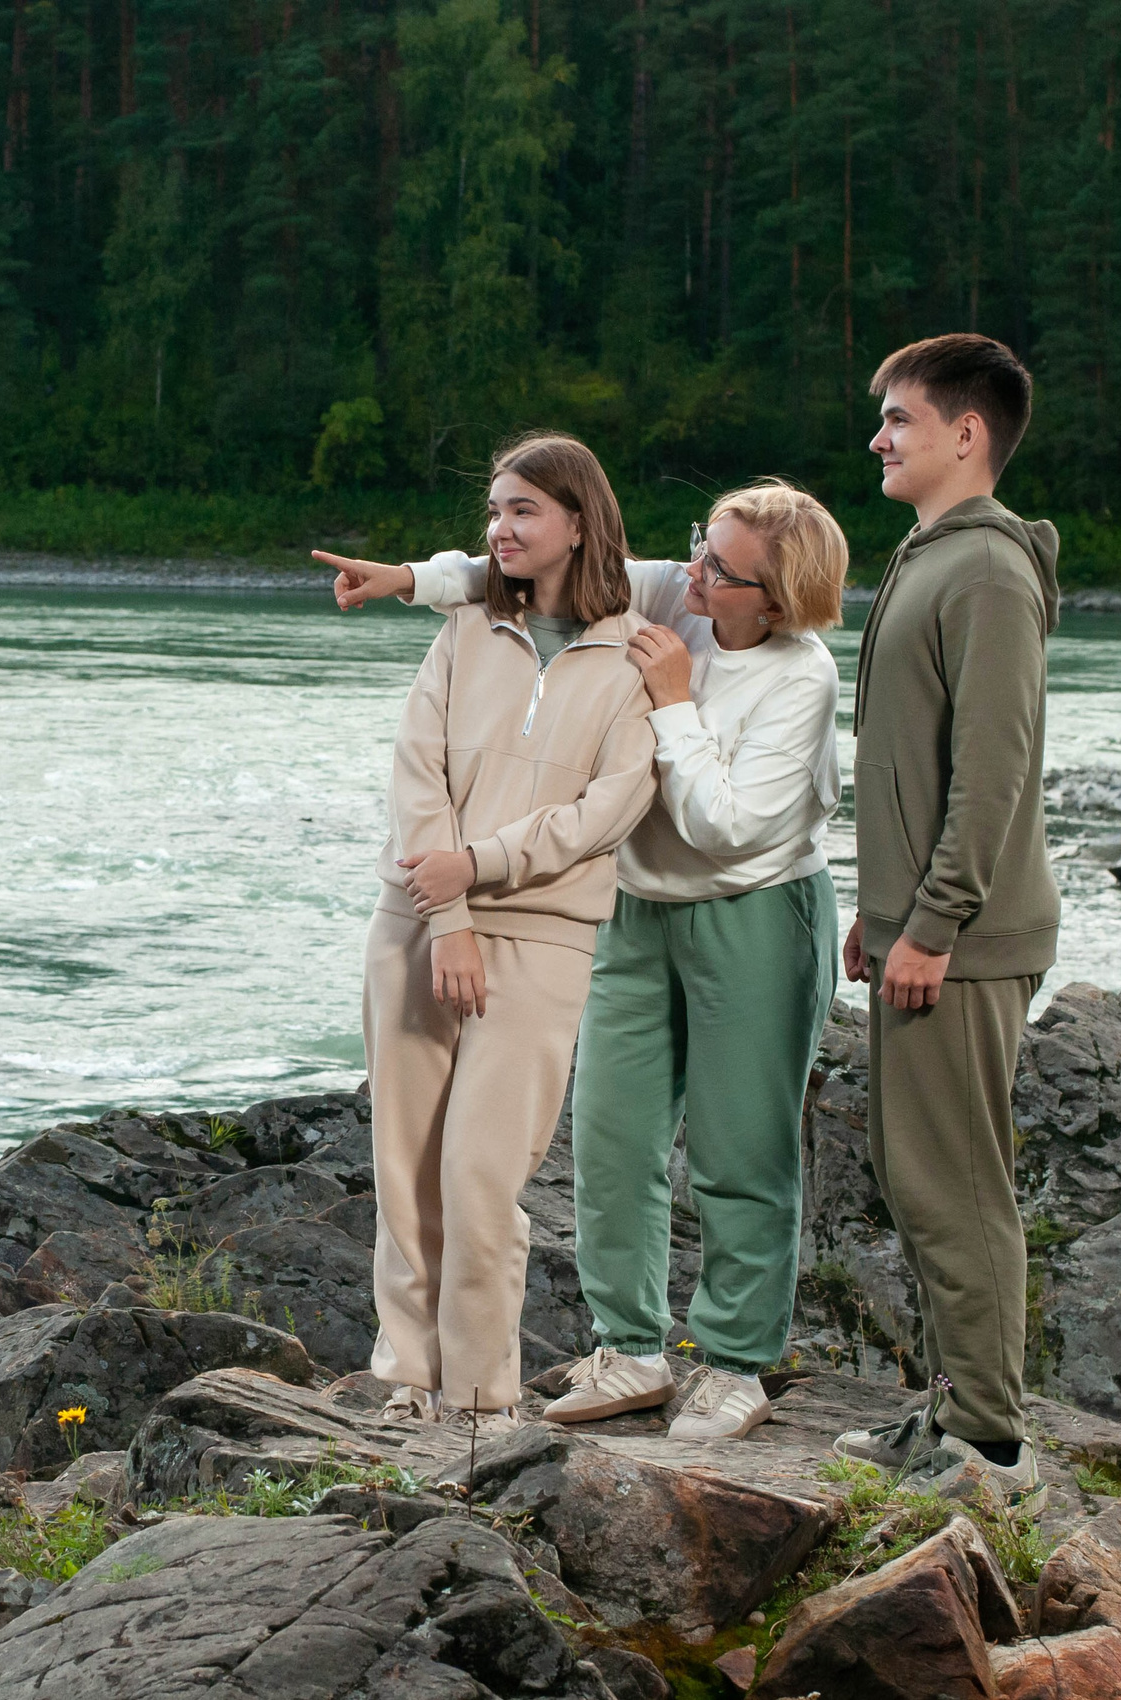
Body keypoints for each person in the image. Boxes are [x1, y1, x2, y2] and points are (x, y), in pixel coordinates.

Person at [325, 480, 847, 1443]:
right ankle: (630, 1348)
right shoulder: (670, 596)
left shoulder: (801, 676)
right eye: (699, 545)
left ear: (770, 601)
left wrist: (676, 705)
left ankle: (735, 1362)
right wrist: (409, 577)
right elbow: (529, 564)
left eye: (718, 568)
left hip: (754, 910)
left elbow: (728, 828)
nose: (688, 571)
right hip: (635, 909)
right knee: (612, 1138)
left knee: (740, 1149)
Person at [356, 433, 661, 1435]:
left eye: (522, 509)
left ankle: (481, 1390)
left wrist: (478, 872)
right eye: (493, 511)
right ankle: (407, 1371)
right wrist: (446, 914)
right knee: (404, 1159)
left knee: (482, 1168)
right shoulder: (464, 629)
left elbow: (609, 807)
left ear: (578, 519)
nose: (500, 528)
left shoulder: (632, 653)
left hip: (542, 936)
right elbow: (417, 774)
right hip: (416, 922)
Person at [829, 333, 1060, 1515]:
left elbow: (992, 769)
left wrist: (933, 921)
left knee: (958, 1180)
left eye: (898, 419)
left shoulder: (983, 573)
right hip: (925, 929)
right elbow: (910, 768)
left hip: (964, 943)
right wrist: (885, 914)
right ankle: (955, 1407)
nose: (878, 436)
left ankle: (993, 1448)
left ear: (965, 433)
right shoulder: (936, 555)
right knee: (919, 1175)